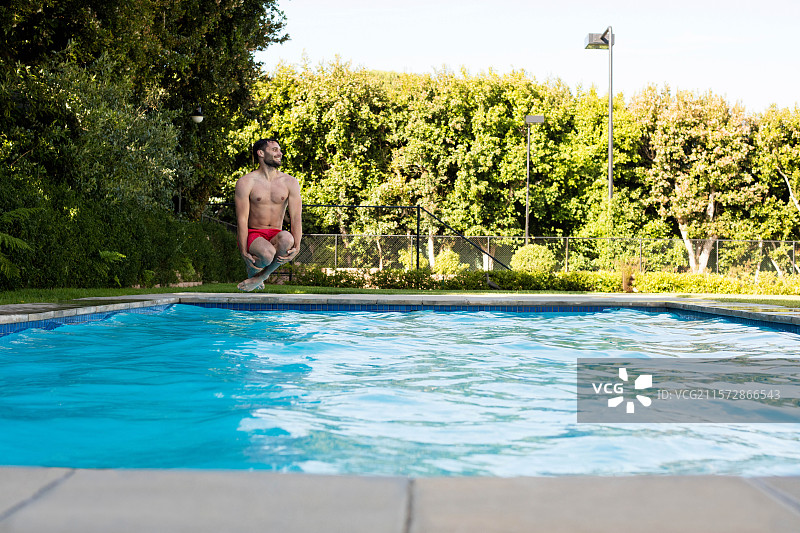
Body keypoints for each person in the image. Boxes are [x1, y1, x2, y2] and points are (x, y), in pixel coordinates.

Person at [235, 138, 302, 291]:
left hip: (276, 233)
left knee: (287, 239)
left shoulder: (290, 182)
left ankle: (261, 276)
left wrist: (297, 247)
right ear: (260, 153)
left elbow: (296, 218)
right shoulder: (246, 182)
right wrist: (243, 251)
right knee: (267, 254)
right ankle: (252, 269)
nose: (280, 153)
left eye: (279, 150)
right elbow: (242, 219)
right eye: (274, 150)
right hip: (254, 234)